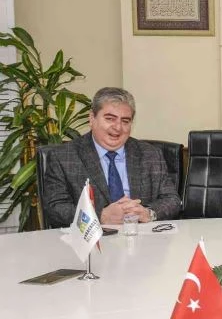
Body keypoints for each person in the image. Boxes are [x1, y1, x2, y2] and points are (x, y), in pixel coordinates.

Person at [42, 87, 181, 228]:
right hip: (90, 238)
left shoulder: (150, 154)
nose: (118, 127)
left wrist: (148, 213)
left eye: (125, 121)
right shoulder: (63, 157)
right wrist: (100, 216)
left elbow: (172, 199)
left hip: (139, 235)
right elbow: (55, 207)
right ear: (92, 118)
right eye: (110, 119)